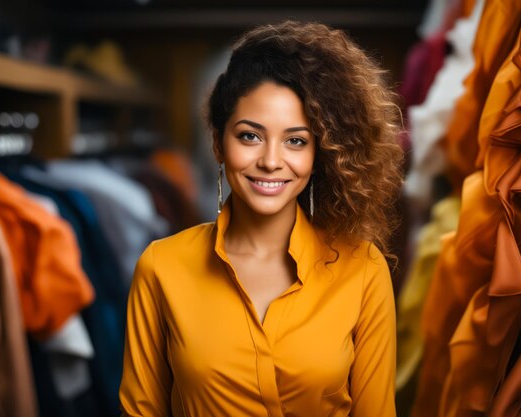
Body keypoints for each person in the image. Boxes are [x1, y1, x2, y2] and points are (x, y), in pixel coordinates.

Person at [119, 20, 404, 417]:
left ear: (318, 153)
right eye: (250, 136)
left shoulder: (363, 270)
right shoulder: (161, 267)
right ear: (219, 144)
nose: (271, 161)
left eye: (296, 141)